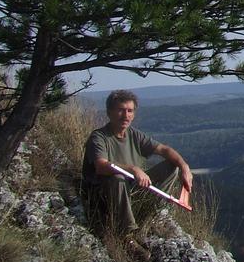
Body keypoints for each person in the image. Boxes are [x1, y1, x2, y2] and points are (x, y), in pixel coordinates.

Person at [81, 89, 193, 241]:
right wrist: (133, 169)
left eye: (130, 111)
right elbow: (101, 166)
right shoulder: (99, 137)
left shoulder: (134, 134)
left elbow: (164, 149)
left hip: (131, 189)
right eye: (120, 110)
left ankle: (152, 211)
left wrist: (184, 167)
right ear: (109, 112)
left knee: (172, 166)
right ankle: (127, 235)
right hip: (106, 195)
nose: (126, 115)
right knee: (117, 177)